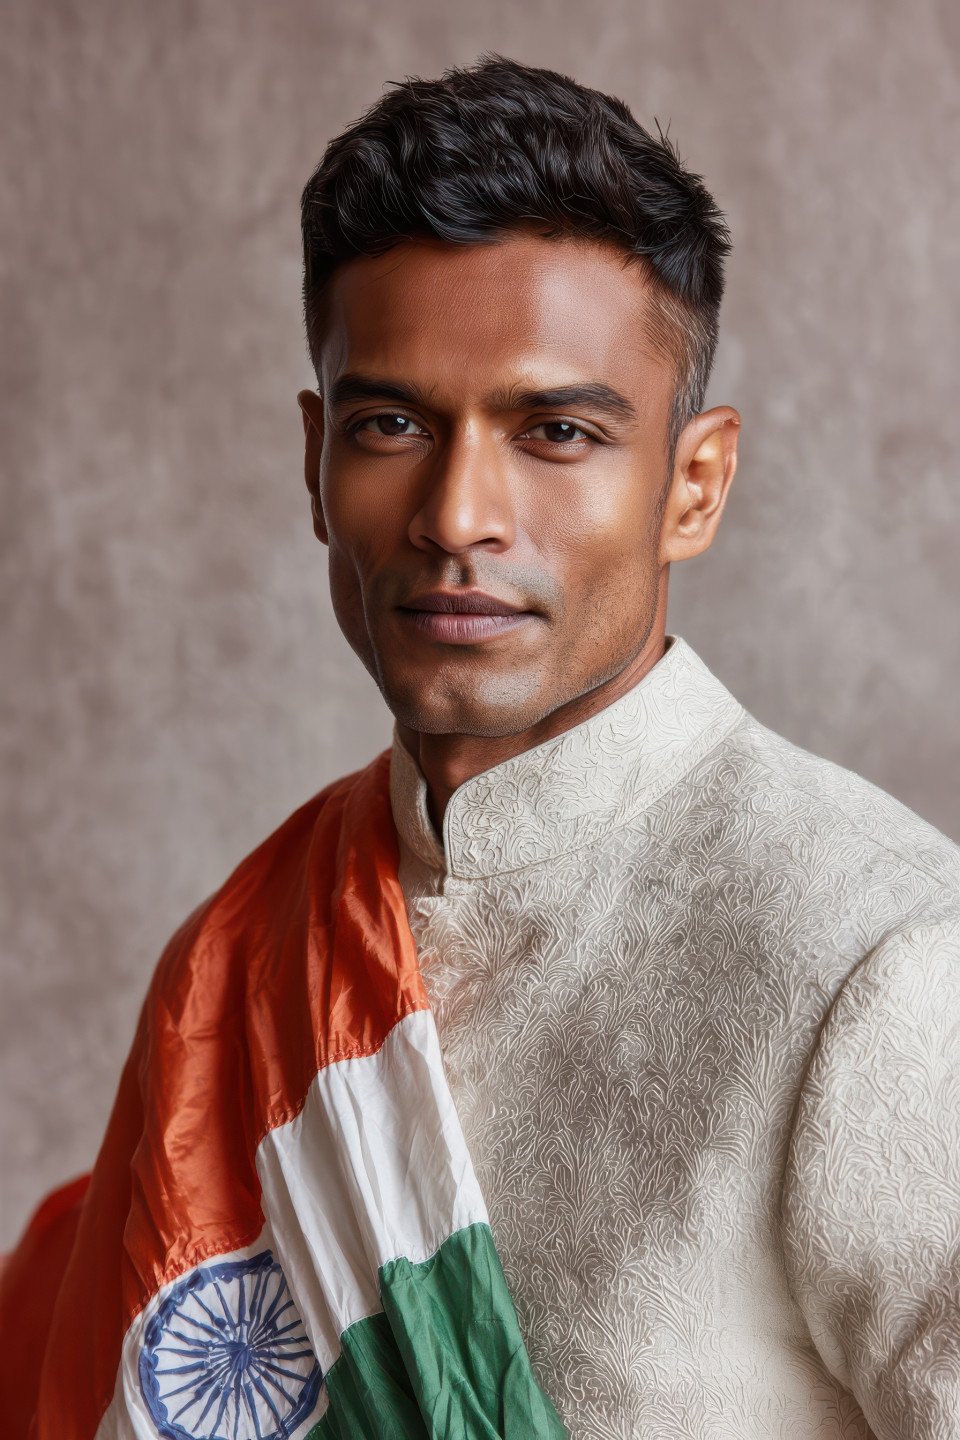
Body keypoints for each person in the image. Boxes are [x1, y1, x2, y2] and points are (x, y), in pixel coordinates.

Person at [2, 52, 958, 1440]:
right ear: (317, 463)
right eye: (392, 425)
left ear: (692, 486)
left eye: (556, 431)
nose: (457, 514)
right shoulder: (243, 964)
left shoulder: (883, 967)